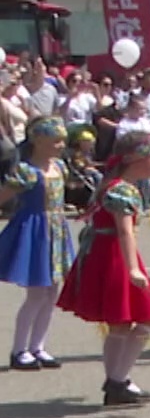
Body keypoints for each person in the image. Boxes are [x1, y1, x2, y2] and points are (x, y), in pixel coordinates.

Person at [57, 133, 150, 406]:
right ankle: (117, 380)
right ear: (134, 159)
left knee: (121, 321)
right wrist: (133, 269)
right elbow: (125, 232)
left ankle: (118, 380)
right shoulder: (123, 189)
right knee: (148, 316)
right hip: (115, 256)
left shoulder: (114, 185)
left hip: (106, 253)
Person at [0, 117, 75, 370]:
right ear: (39, 141)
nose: (61, 145)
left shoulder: (59, 167)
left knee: (51, 293)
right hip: (34, 231)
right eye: (56, 140)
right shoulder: (27, 171)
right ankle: (19, 350)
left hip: (56, 230)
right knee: (36, 293)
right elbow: (4, 196)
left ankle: (38, 347)